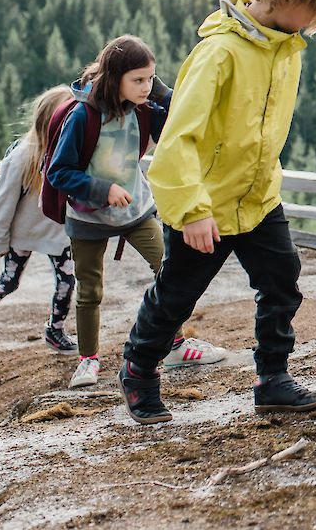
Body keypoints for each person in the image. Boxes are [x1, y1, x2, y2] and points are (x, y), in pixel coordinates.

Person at [119, 0, 316, 424]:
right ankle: (139, 369)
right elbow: (176, 140)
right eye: (312, 10)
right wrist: (193, 210)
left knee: (281, 282)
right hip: (205, 207)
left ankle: (272, 379)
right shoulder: (219, 53)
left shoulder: (286, 48)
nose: (313, 24)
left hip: (260, 199)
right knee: (177, 295)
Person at [46, 35, 225, 388]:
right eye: (138, 80)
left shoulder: (144, 109)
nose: (145, 87)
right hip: (87, 216)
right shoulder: (82, 116)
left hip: (136, 210)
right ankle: (88, 361)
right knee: (89, 290)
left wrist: (160, 91)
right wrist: (103, 189)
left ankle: (174, 346)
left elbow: (181, 119)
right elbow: (58, 171)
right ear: (115, 79)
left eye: (150, 79)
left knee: (171, 270)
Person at [0, 85, 78, 357]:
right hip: (22, 233)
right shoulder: (22, 156)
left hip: (57, 232)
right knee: (9, 281)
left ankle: (55, 329)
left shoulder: (71, 150)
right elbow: (2, 202)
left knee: (67, 281)